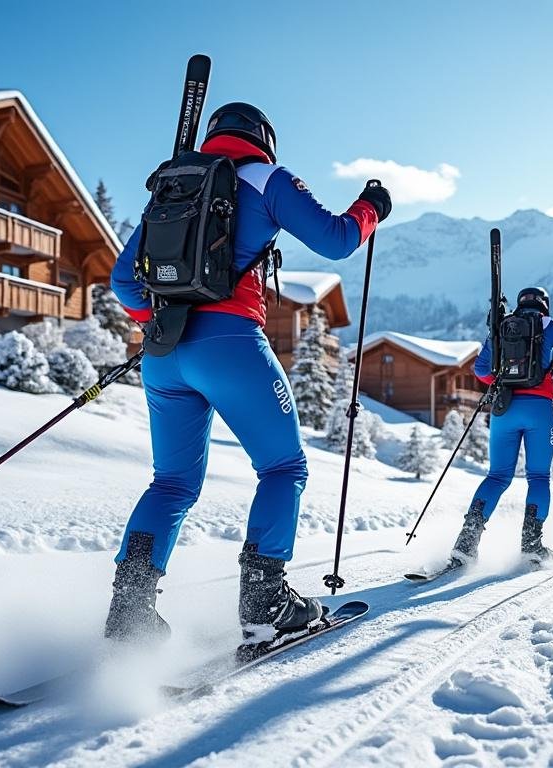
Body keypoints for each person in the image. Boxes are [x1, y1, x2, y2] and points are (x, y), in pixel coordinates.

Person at [104, 102, 392, 645]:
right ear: (264, 139)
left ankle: (130, 610)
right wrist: (371, 207)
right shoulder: (267, 179)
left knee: (171, 483)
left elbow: (124, 282)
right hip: (230, 344)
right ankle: (265, 599)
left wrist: (164, 321)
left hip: (165, 354)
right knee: (284, 467)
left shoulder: (169, 188)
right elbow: (337, 240)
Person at [447, 287, 553, 567]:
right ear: (545, 305)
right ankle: (531, 545)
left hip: (504, 409)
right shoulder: (547, 324)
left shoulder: (502, 326)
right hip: (539, 410)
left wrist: (505, 379)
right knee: (539, 478)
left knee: (496, 477)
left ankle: (466, 543)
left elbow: (480, 370)